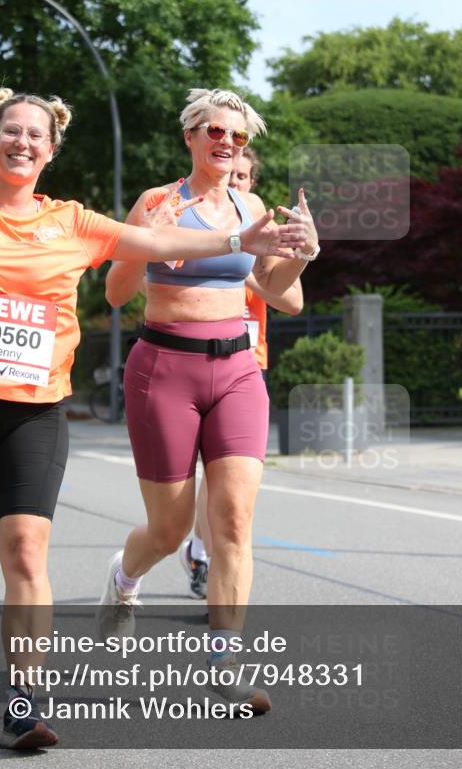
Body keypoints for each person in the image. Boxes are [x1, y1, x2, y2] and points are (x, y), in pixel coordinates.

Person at [0, 87, 308, 748]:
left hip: (36, 413)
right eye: (10, 132)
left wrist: (241, 238)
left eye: (35, 135)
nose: (22, 142)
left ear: (51, 150)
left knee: (25, 550)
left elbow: (154, 239)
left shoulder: (75, 222)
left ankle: (23, 698)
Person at [102, 88, 318, 714]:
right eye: (216, 132)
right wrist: (146, 240)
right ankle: (125, 576)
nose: (228, 143)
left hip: (238, 372)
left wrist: (302, 252)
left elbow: (277, 291)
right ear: (192, 137)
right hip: (164, 368)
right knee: (170, 530)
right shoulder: (154, 202)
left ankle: (224, 661)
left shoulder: (248, 205)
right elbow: (116, 293)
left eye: (239, 137)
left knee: (233, 523)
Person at [180, 146, 303, 599]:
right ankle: (197, 547)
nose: (235, 183)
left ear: (252, 183)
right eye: (230, 175)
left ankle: (208, 558)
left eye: (244, 177)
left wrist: (247, 269)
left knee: (226, 485)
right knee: (205, 480)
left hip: (246, 366)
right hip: (192, 364)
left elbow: (293, 302)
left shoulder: (264, 231)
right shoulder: (190, 218)